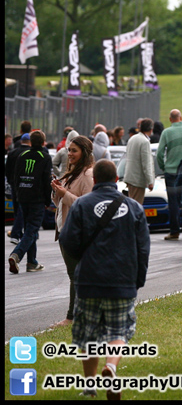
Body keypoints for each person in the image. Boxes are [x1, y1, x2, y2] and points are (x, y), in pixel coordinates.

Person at [59, 159, 150, 399]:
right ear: (117, 180)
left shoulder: (81, 205)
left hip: (89, 281)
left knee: (89, 334)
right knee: (118, 330)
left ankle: (90, 387)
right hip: (122, 281)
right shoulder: (134, 207)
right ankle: (111, 366)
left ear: (95, 180)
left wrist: (83, 262)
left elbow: (68, 241)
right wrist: (137, 279)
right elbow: (143, 248)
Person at [50, 136, 95, 327]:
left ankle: (72, 317)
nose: (69, 154)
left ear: (84, 153)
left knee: (76, 275)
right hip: (65, 229)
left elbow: (88, 205)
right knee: (78, 275)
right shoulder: (71, 173)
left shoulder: (87, 175)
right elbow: (59, 204)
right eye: (69, 150)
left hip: (77, 232)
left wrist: (64, 194)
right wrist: (57, 193)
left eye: (74, 151)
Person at [9, 130, 52, 274]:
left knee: (29, 228)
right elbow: (47, 181)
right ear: (43, 143)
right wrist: (48, 199)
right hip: (37, 198)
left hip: (23, 196)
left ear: (31, 142)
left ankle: (32, 262)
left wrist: (19, 194)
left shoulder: (22, 155)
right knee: (32, 229)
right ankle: (17, 254)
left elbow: (16, 176)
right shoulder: (44, 157)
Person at [157, 109, 182, 240]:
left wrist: (164, 167)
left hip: (171, 171)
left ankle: (174, 231)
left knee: (173, 202)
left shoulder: (166, 132)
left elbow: (159, 153)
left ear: (170, 119)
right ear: (181, 118)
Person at [5, 133, 31, 245]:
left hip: (14, 184)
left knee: (16, 208)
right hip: (25, 184)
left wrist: (11, 181)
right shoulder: (30, 153)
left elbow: (7, 169)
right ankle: (16, 233)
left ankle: (18, 232)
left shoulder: (12, 152)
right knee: (22, 208)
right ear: (29, 142)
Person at [124, 118, 155, 205]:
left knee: (132, 204)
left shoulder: (133, 138)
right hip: (137, 179)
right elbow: (146, 163)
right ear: (151, 129)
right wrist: (150, 181)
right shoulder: (144, 141)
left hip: (130, 177)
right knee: (136, 206)